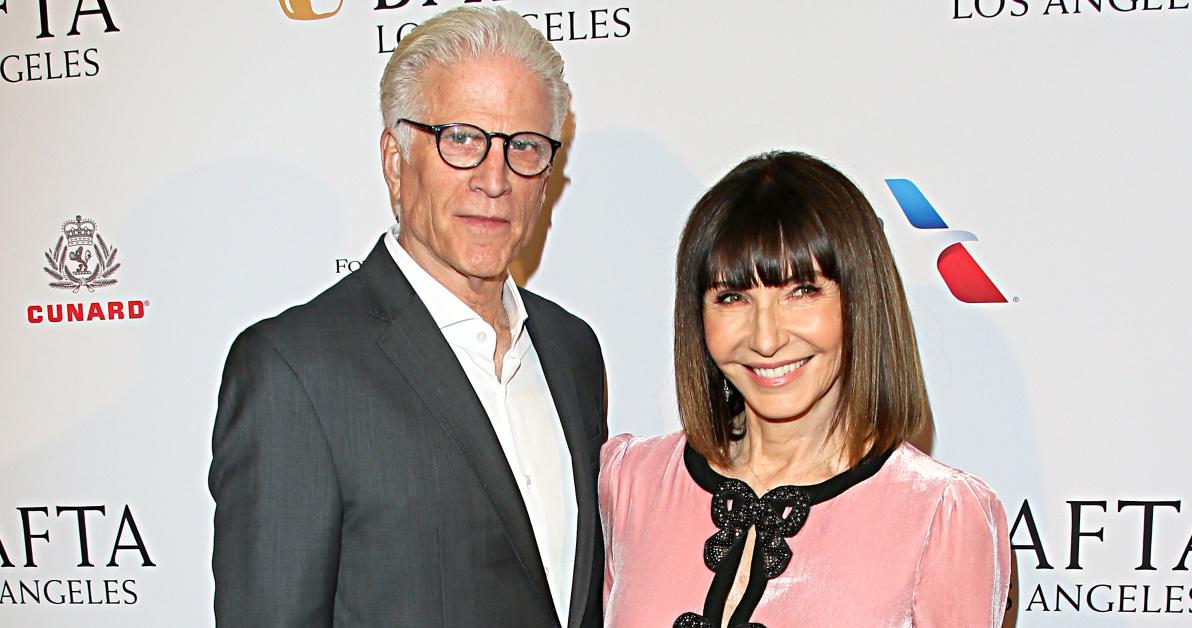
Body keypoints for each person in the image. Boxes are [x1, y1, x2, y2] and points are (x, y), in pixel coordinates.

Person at [209, 7, 606, 627]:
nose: (495, 179)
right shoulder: (295, 370)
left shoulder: (572, 350)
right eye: (462, 139)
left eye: (524, 146)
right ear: (396, 160)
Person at [600, 152, 1009, 627]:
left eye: (802, 292)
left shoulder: (939, 516)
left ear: (860, 300)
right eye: (732, 298)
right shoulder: (631, 482)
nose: (767, 338)